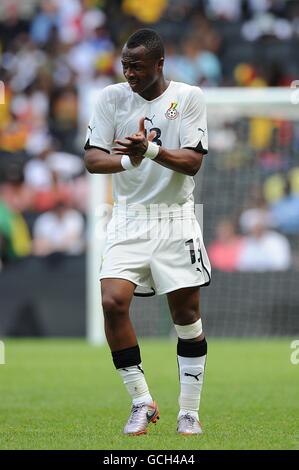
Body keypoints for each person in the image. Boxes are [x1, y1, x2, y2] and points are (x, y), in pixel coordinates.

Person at [84, 29, 211, 436]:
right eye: (124, 65)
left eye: (136, 66)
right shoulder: (111, 98)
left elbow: (192, 162)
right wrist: (129, 164)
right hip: (128, 218)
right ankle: (142, 402)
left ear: (159, 63)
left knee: (186, 316)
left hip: (175, 217)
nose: (129, 73)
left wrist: (150, 150)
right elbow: (92, 158)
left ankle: (189, 411)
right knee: (112, 301)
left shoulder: (189, 97)